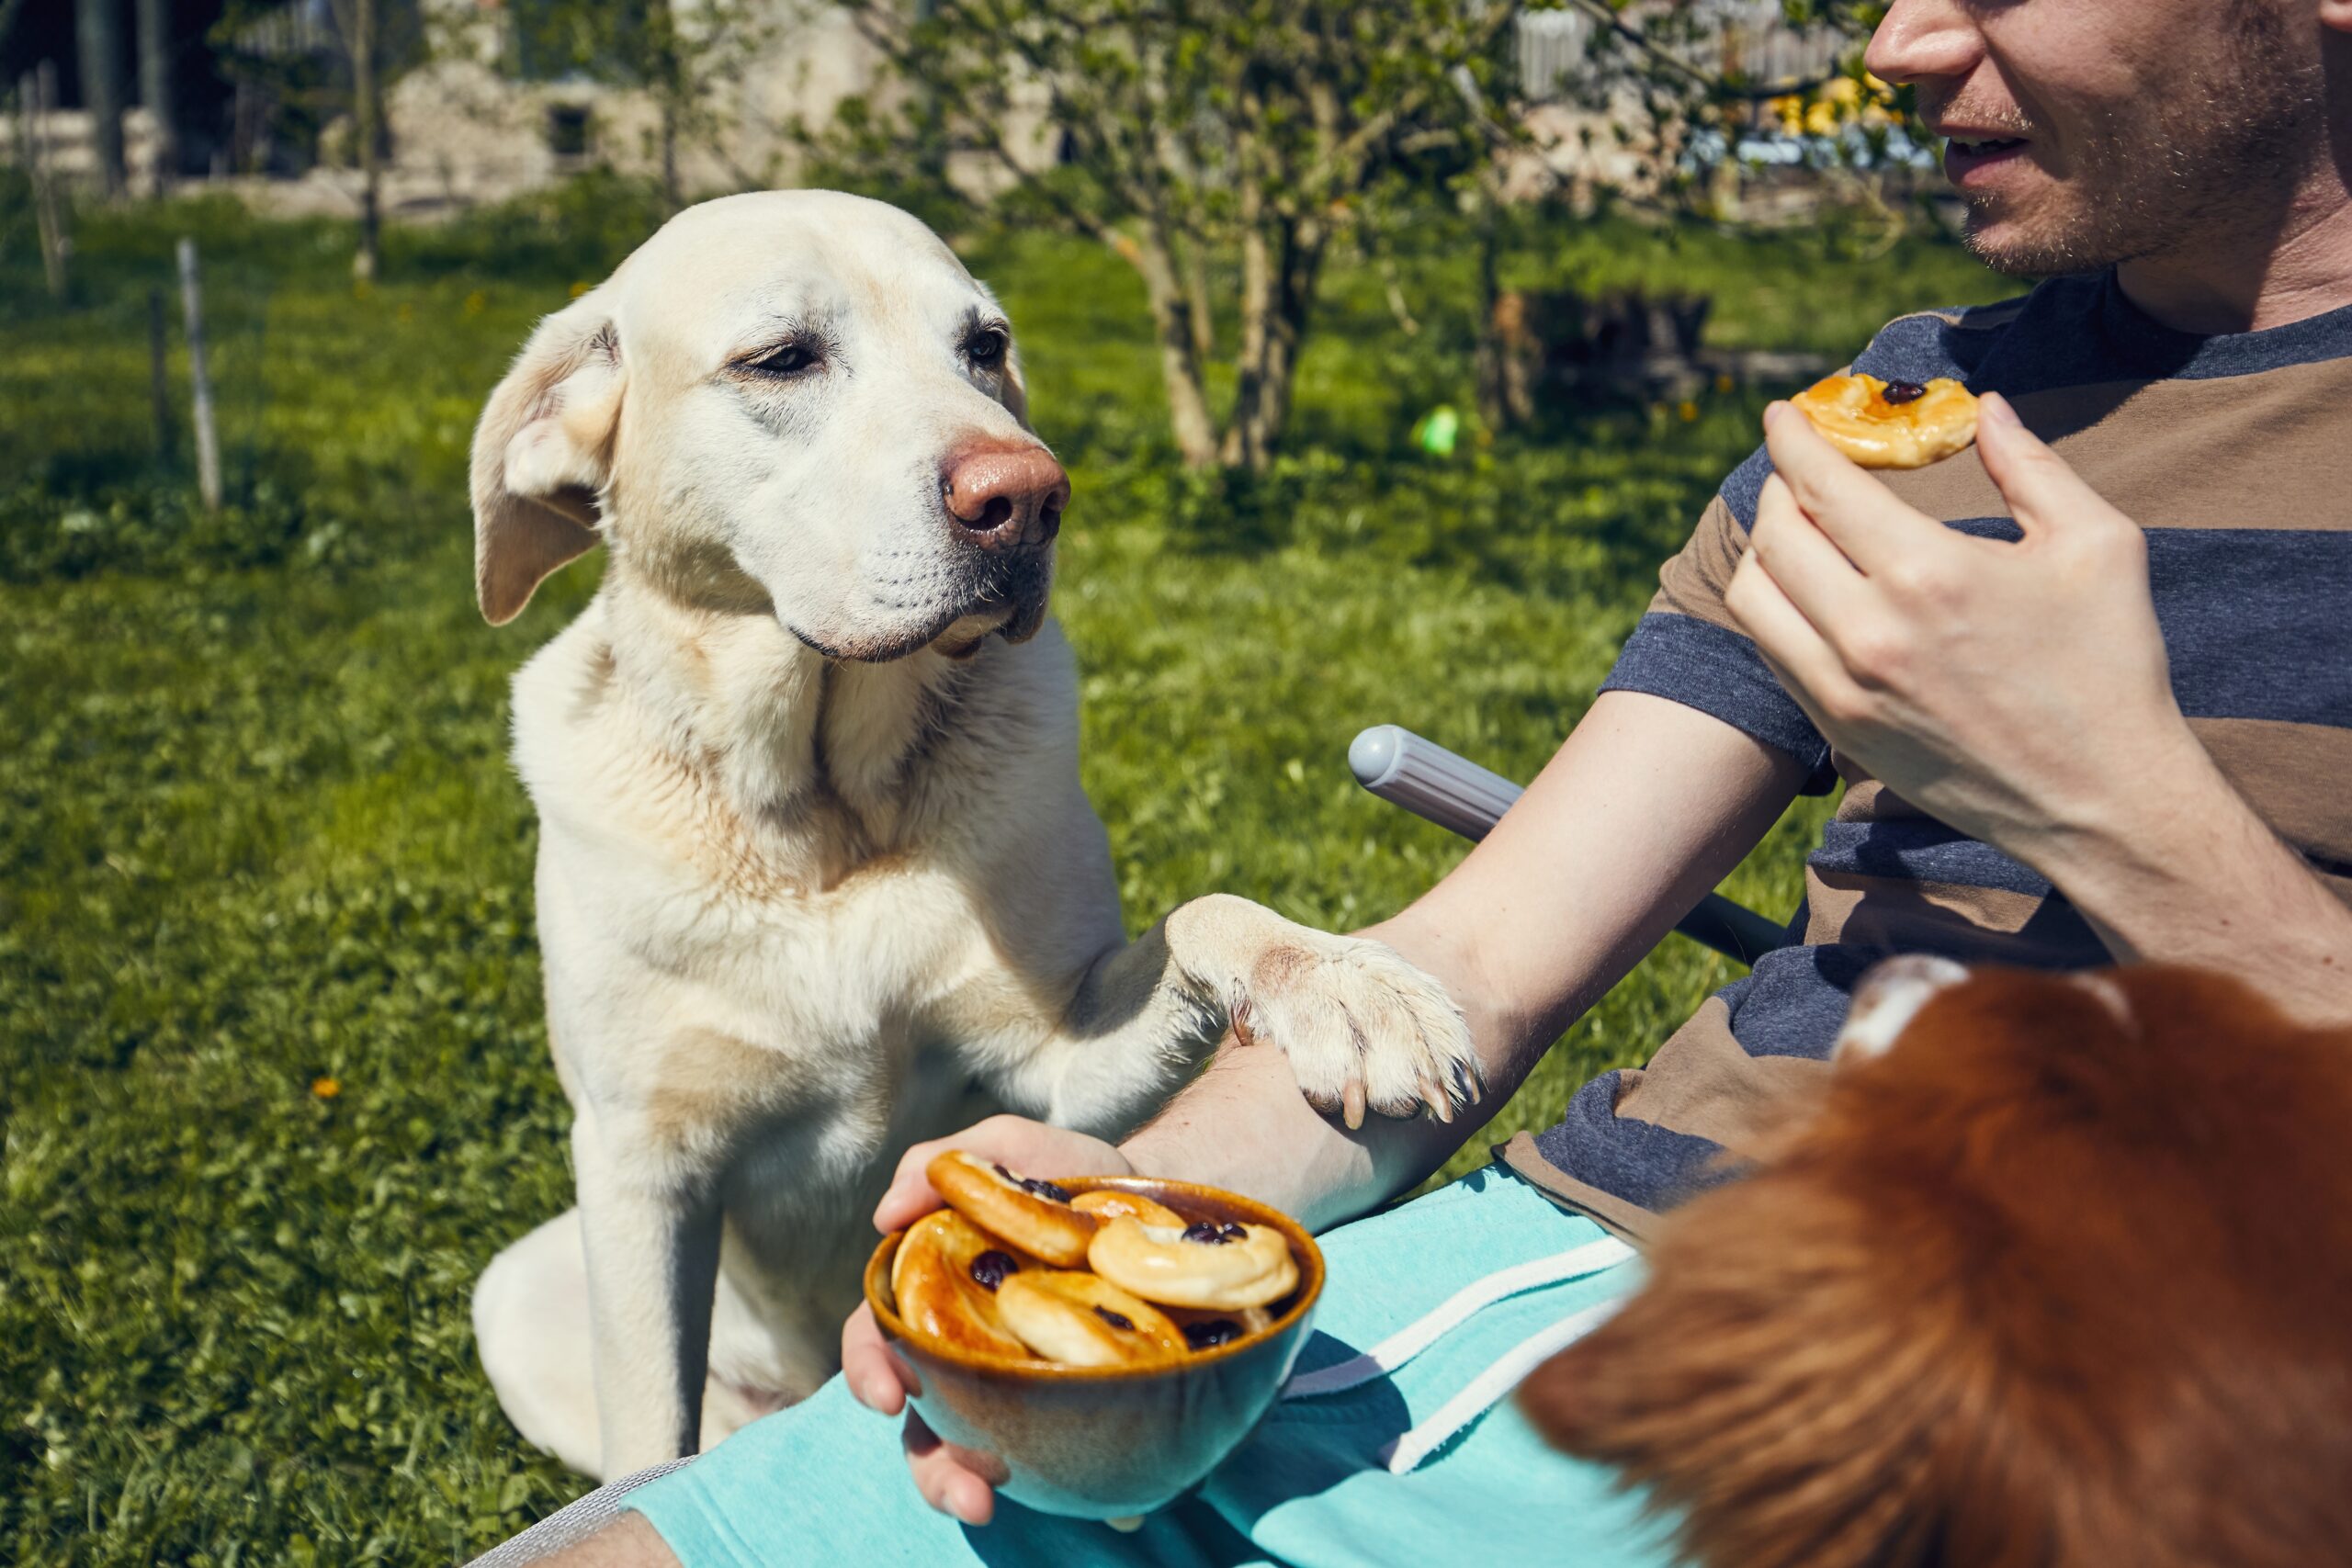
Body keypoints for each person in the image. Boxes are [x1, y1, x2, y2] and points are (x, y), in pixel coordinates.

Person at [506, 0, 2352, 1562]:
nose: (1892, 43)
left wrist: (2109, 793)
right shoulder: (1913, 405)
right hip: (1565, 1267)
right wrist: (1134, 1204)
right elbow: (1475, 964)